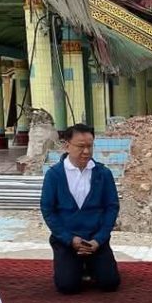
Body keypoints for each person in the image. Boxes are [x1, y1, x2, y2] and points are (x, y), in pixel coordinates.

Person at [39, 123, 121, 294]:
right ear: (67, 145)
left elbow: (112, 207)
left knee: (110, 283)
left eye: (90, 146)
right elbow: (48, 210)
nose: (86, 151)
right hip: (67, 241)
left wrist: (99, 239)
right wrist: (69, 239)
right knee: (67, 287)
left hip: (95, 240)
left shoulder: (103, 174)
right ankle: (76, 267)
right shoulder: (54, 175)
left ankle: (92, 265)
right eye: (81, 146)